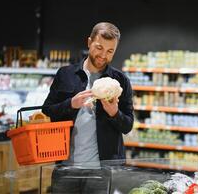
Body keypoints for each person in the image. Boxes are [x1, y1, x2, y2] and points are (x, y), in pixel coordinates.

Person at [42, 22, 134, 193]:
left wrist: (114, 113)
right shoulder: (65, 74)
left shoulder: (121, 81)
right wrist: (70, 104)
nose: (103, 55)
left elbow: (128, 125)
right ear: (89, 42)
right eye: (99, 47)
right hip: (66, 168)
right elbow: (47, 110)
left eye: (110, 51)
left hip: (102, 171)